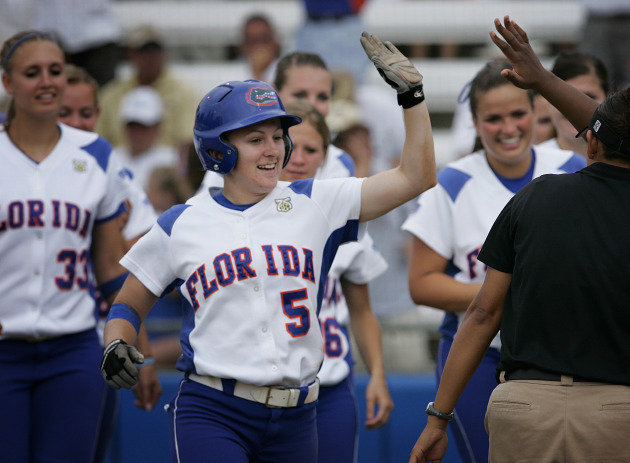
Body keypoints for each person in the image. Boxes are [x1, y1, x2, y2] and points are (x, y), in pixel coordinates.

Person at [100, 32, 435, 463]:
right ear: (218, 151)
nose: (274, 149)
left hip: (298, 416)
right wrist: (115, 343)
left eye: (278, 137)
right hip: (213, 410)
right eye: (255, 139)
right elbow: (126, 306)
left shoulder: (315, 201)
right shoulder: (182, 222)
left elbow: (417, 177)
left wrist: (413, 96)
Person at [409, 16, 630, 463]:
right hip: (613, 399)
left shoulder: (544, 188)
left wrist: (436, 418)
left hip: (525, 395)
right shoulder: (459, 183)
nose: (507, 126)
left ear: (586, 144)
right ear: (473, 122)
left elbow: (484, 310)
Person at [0, 30, 131, 463]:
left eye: (54, 70)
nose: (46, 81)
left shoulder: (96, 154)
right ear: (7, 82)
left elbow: (110, 265)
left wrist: (134, 335)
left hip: (72, 348)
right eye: (31, 72)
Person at [57, 63, 162, 463]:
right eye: (66, 112)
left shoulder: (106, 164)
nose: (77, 123)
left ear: (99, 114)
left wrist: (145, 354)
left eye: (86, 113)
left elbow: (138, 268)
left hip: (95, 333)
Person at [281, 99, 394, 462]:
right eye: (290, 146)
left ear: (324, 157)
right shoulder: (238, 216)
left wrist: (377, 374)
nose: (298, 158)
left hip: (328, 381)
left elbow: (362, 312)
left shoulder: (340, 217)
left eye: (310, 149)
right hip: (261, 384)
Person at [96, 24, 200, 152]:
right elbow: (99, 139)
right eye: (144, 51)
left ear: (164, 53)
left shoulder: (185, 94)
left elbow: (188, 142)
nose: (151, 57)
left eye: (156, 50)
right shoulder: (110, 95)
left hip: (169, 166)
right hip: (118, 162)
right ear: (130, 54)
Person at [537, 50, 609, 158]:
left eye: (589, 97)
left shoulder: (624, 159)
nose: (577, 108)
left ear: (608, 98)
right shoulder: (531, 163)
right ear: (549, 100)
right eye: (566, 98)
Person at [112, 86, 179, 190]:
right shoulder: (111, 158)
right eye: (132, 125)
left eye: (144, 126)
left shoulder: (171, 162)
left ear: (158, 126)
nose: (137, 133)